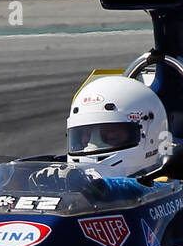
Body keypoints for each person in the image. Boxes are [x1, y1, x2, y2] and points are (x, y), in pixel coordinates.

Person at [32, 76, 171, 201]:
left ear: (149, 134)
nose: (91, 145)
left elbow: (152, 188)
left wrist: (89, 184)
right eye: (83, 136)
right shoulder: (66, 175)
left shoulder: (170, 182)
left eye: (111, 134)